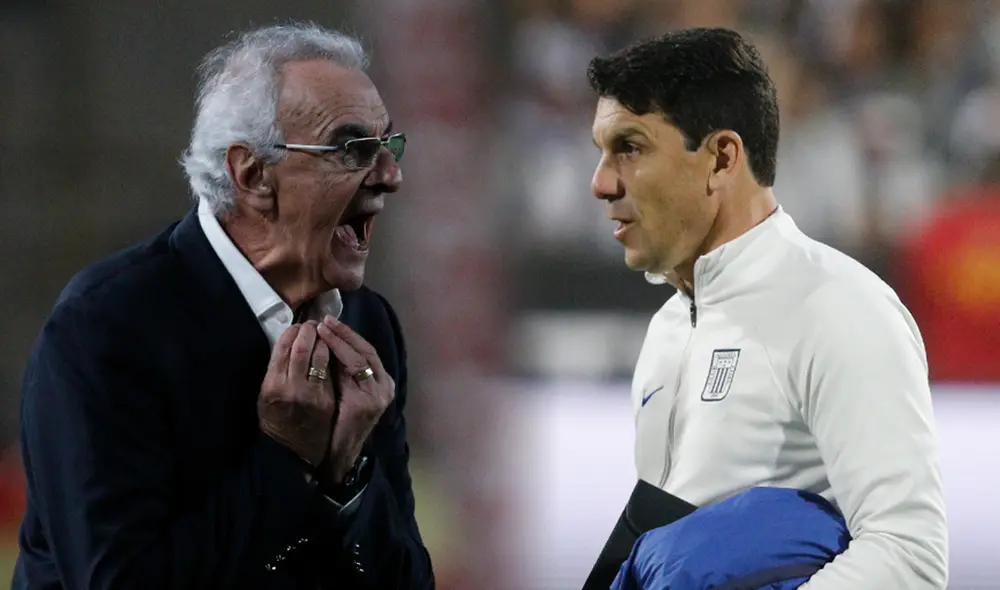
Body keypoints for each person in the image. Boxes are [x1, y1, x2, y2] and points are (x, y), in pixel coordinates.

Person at [13, 23, 434, 590]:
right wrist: (288, 457)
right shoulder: (106, 327)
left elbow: (408, 580)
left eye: (389, 146)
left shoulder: (368, 326)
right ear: (253, 174)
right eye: (354, 148)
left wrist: (350, 477)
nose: (391, 175)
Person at [586, 28, 947, 588]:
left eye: (629, 149)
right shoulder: (667, 329)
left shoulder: (839, 308)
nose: (601, 183)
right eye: (602, 153)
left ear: (722, 158)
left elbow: (909, 557)